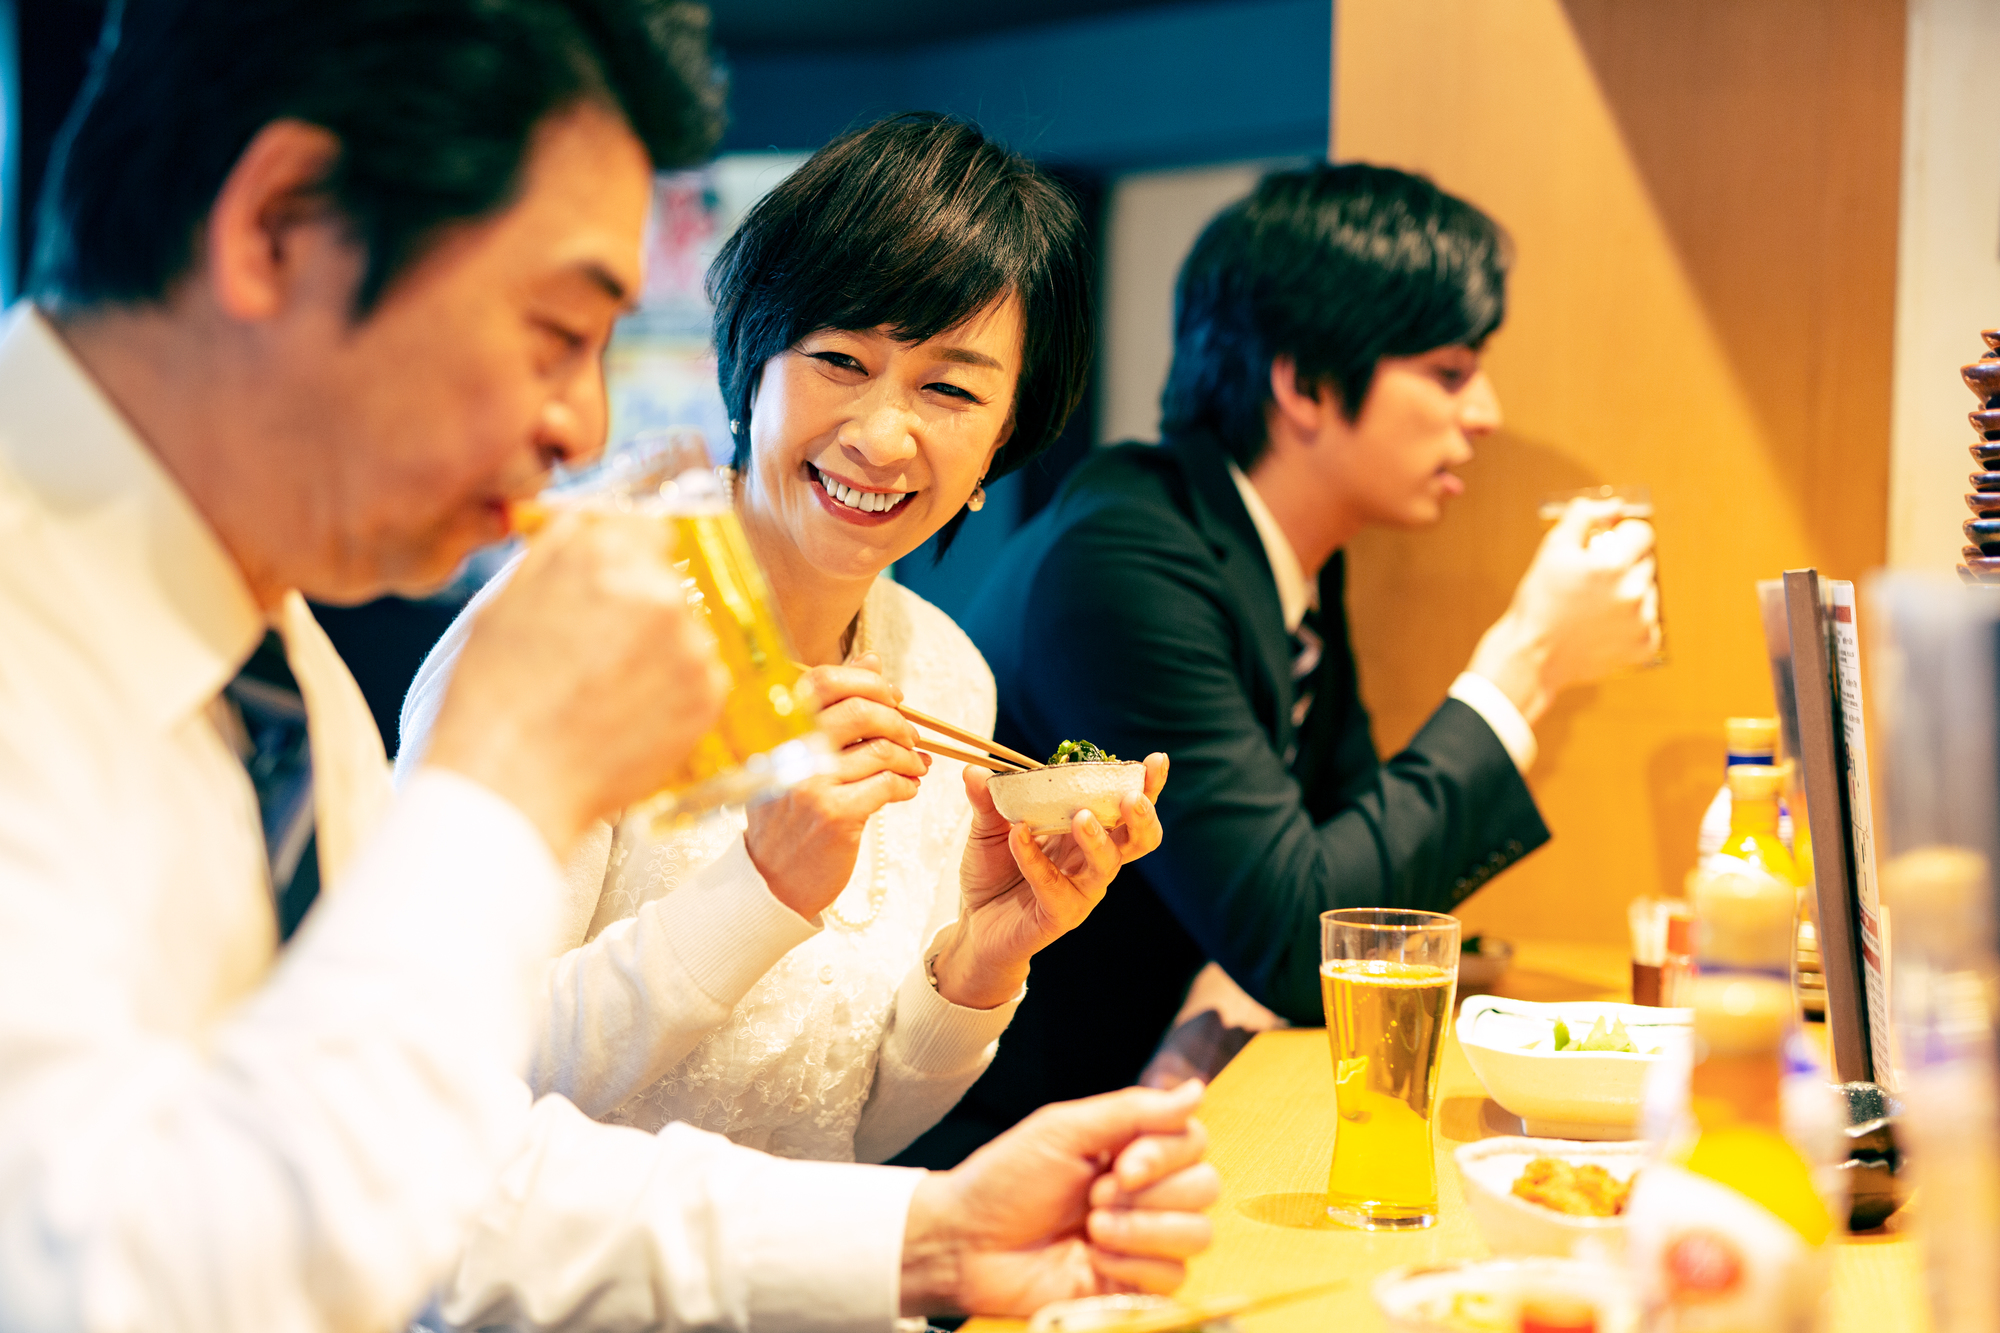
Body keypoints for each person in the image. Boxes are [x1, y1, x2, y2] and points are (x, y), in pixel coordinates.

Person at [0, 3, 1217, 1328]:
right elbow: (113, 1277)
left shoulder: (280, 676)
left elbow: (432, 1176)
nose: (582, 419)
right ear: (280, 228)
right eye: (552, 325)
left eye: (948, 389)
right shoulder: (517, 653)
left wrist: (927, 1237)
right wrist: (504, 785)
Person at [398, 111, 1170, 1164]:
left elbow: (845, 1129)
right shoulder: (571, 627)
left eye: (949, 388)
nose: (880, 435)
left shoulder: (942, 675)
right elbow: (440, 1087)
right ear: (752, 360)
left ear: (1004, 438)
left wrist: (985, 959)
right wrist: (758, 883)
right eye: (840, 359)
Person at [898, 163, 1659, 1167]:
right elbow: (1304, 936)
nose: (1481, 410)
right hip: (991, 1145)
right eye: (1446, 370)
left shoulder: (1284, 561)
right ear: (1299, 381)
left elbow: (1355, 881)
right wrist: (1526, 661)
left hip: (1157, 1109)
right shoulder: (1123, 557)